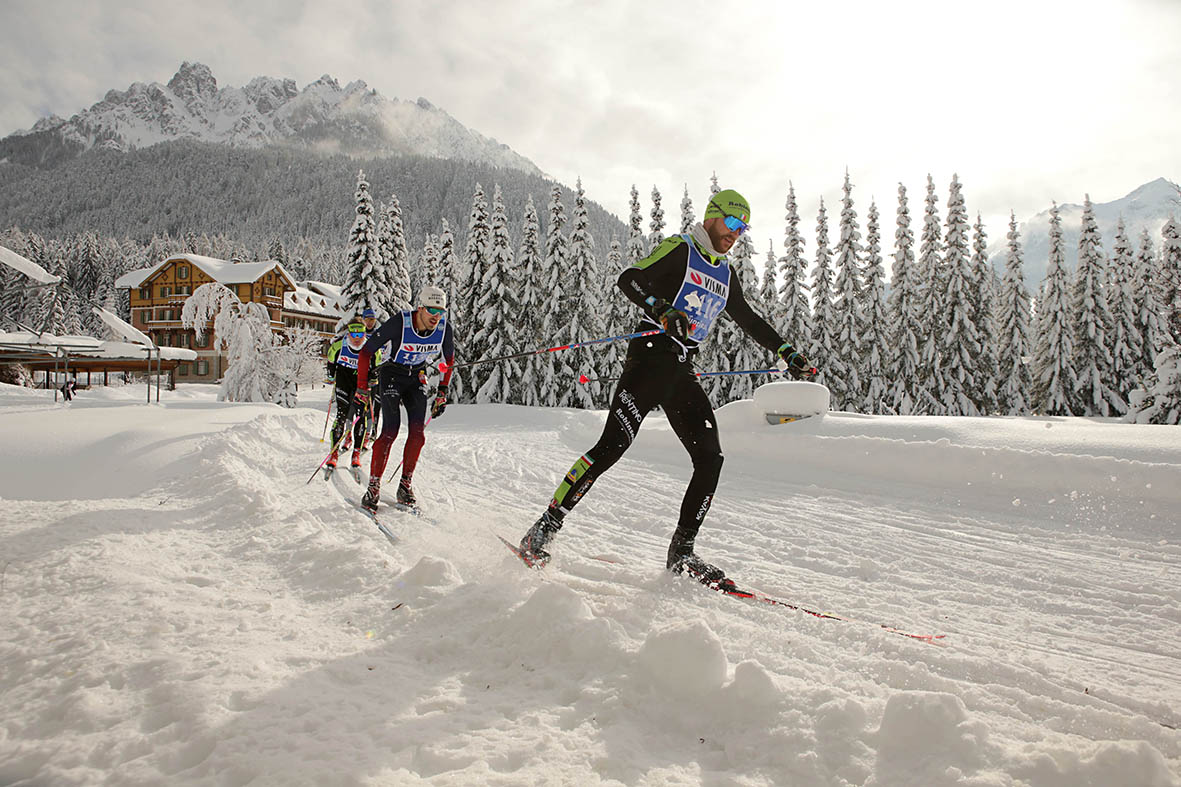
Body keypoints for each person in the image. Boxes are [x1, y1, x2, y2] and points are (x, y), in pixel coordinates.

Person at [517, 189, 818, 587]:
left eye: (743, 228)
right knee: (611, 447)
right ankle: (542, 529)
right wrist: (663, 309)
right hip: (648, 359)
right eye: (731, 223)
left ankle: (682, 554)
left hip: (681, 370)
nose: (736, 233)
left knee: (711, 459)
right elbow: (630, 279)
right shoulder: (682, 249)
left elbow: (747, 317)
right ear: (712, 217)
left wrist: (785, 350)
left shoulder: (725, 273)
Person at [354, 286, 455, 512]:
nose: (436, 317)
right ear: (420, 308)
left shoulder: (443, 329)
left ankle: (405, 485)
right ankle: (373, 487)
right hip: (392, 374)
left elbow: (449, 360)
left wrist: (442, 392)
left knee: (418, 434)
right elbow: (366, 352)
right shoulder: (401, 322)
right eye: (431, 310)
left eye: (441, 311)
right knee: (390, 430)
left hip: (417, 376)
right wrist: (362, 386)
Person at [325, 319, 382, 477]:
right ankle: (334, 453)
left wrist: (373, 377)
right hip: (344, 382)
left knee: (361, 417)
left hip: (362, 384)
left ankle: (356, 452)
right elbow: (330, 361)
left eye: (360, 334)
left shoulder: (371, 347)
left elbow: (377, 366)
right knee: (341, 415)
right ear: (348, 333)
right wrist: (330, 374)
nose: (356, 338)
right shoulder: (339, 345)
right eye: (353, 334)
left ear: (364, 333)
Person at [360, 307, 382, 449]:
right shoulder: (359, 334)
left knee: (376, 403)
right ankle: (361, 431)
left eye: (372, 320)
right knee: (363, 403)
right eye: (367, 320)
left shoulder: (379, 335)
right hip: (363, 373)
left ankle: (372, 431)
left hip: (377, 372)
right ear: (363, 320)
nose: (370, 323)